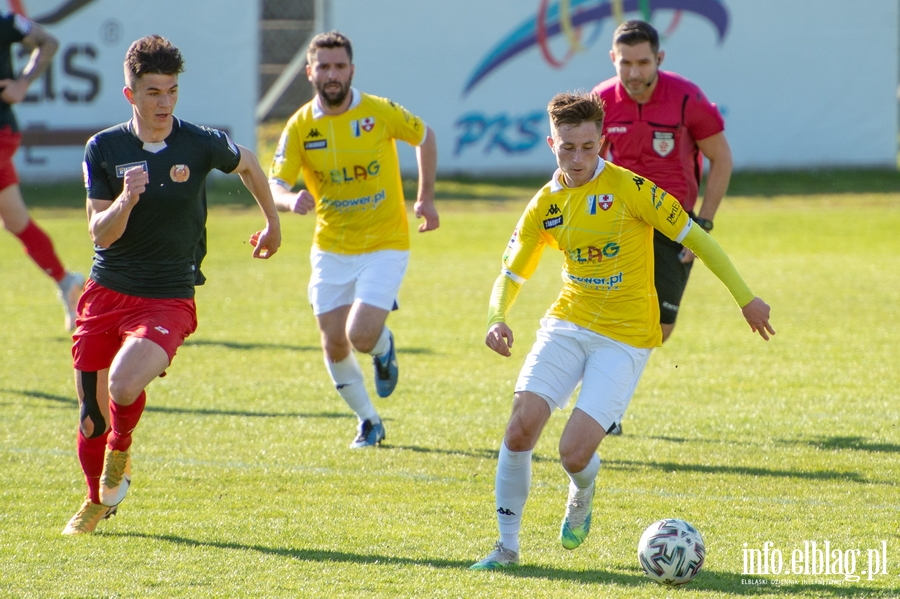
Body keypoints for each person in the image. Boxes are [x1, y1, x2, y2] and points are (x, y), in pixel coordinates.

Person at [469, 92, 773, 569]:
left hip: (626, 337)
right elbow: (511, 273)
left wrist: (745, 298)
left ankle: (583, 489)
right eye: (567, 147)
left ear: (602, 142)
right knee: (520, 427)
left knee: (573, 454)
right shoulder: (545, 205)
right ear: (552, 143)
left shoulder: (633, 190)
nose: (577, 158)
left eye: (587, 147)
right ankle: (506, 547)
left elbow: (697, 238)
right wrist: (496, 317)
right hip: (567, 323)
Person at [61, 35, 281, 535]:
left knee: (121, 382)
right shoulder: (104, 148)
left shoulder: (198, 142)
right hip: (105, 291)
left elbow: (246, 161)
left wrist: (273, 221)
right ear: (130, 94)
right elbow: (99, 232)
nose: (164, 103)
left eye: (171, 91)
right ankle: (98, 499)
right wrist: (124, 201)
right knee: (90, 416)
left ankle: (121, 451)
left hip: (167, 295)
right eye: (153, 92)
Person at [268, 30, 438, 449]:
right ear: (310, 72)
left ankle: (382, 347)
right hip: (331, 246)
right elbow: (275, 183)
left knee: (361, 334)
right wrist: (290, 200)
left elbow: (425, 136)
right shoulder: (300, 127)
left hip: (385, 241)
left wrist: (426, 198)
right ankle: (369, 421)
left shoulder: (378, 111)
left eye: (339, 66)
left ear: (351, 70)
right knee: (333, 340)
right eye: (323, 66)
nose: (332, 74)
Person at [593, 20, 733, 345]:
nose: (633, 73)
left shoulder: (687, 98)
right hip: (621, 218)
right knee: (607, 316)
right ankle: (600, 390)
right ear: (612, 57)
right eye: (625, 63)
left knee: (661, 328)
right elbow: (585, 165)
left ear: (660, 58)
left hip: (674, 221)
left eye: (643, 62)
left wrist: (703, 225)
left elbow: (722, 159)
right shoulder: (600, 102)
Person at [0, 11, 83, 330]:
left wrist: (22, 83)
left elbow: (48, 42)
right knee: (16, 221)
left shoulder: (5, 22)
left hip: (1, 132)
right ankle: (67, 281)